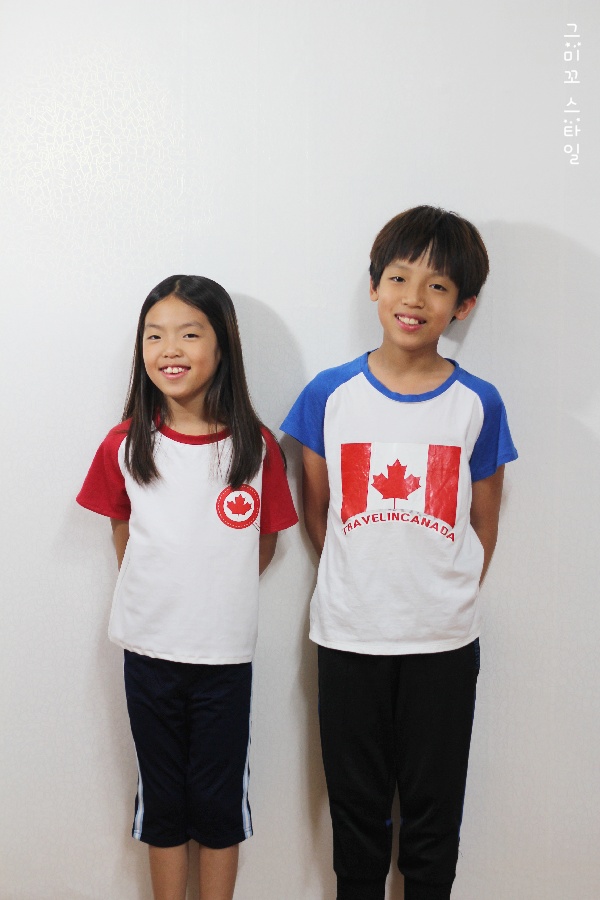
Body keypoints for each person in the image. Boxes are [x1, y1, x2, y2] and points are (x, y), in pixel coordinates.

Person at [281, 206, 517, 900]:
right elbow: (320, 512)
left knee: (433, 815)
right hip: (349, 635)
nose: (414, 298)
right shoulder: (329, 394)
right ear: (374, 286)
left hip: (443, 642)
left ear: (463, 305)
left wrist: (442, 592)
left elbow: (484, 521)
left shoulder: (478, 402)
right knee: (355, 814)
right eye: (399, 277)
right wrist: (362, 582)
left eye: (438, 286)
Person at [77, 275, 297, 900]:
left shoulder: (256, 449)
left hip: (224, 659)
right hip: (148, 653)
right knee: (163, 802)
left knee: (220, 803)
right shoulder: (125, 445)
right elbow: (123, 531)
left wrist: (212, 593)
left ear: (223, 345)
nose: (169, 349)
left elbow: (262, 545)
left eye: (189, 334)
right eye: (154, 336)